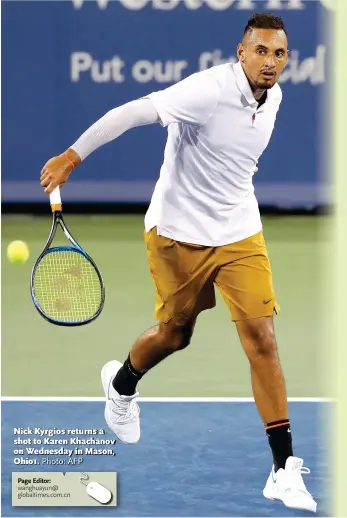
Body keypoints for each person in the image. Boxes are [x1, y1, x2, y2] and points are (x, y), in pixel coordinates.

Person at [40, 12, 317, 513]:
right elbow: (133, 112)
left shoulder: (273, 97)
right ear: (241, 52)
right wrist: (72, 156)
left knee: (262, 338)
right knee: (174, 334)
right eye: (261, 51)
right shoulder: (207, 91)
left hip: (238, 232)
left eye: (279, 53)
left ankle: (283, 469)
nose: (270, 62)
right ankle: (121, 384)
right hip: (178, 233)